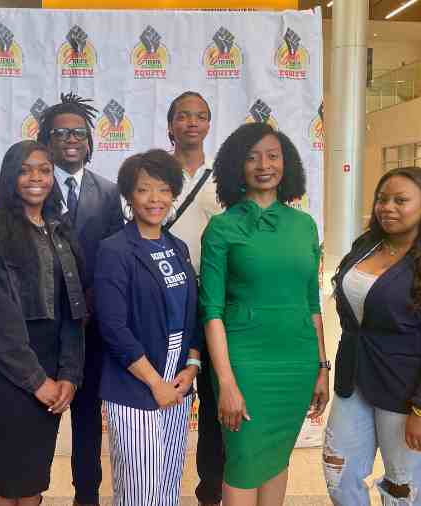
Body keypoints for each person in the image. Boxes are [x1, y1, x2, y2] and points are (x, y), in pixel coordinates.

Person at [199, 123, 329, 506]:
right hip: (245, 364)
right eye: (252, 156)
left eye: (273, 155)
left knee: (276, 458)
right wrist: (226, 382)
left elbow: (312, 304)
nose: (263, 165)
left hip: (297, 361)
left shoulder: (304, 226)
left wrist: (321, 366)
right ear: (236, 166)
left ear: (286, 164)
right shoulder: (222, 228)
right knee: (243, 461)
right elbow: (212, 312)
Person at [323, 167, 421, 506]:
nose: (387, 207)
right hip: (354, 379)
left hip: (408, 393)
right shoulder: (365, 246)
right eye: (382, 199)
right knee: (338, 472)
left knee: (401, 487)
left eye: (400, 200)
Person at [0, 140, 86, 506]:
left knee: (34, 474)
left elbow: (73, 308)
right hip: (4, 371)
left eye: (45, 170)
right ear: (9, 177)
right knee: (4, 475)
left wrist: (68, 373)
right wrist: (37, 381)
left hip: (52, 365)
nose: (36, 178)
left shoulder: (60, 230)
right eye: (25, 169)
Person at [95, 150, 201, 505]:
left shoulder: (178, 248)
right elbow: (112, 327)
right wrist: (155, 383)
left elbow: (192, 314)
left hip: (178, 384)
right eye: (144, 190)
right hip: (136, 385)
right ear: (129, 196)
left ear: (173, 193)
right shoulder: (115, 250)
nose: (155, 199)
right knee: (141, 493)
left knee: (167, 488)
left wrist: (192, 367)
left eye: (163, 190)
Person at [37, 92, 124, 506]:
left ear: (89, 141)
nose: (71, 139)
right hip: (43, 327)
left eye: (79, 133)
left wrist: (93, 304)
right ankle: (29, 491)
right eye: (61, 133)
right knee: (40, 417)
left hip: (91, 328)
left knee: (87, 418)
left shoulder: (109, 192)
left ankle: (85, 496)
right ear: (46, 141)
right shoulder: (30, 185)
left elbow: (113, 256)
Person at [163, 91, 225, 506]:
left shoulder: (224, 179)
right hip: (166, 302)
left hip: (214, 302)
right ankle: (158, 488)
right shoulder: (153, 173)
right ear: (170, 124)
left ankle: (210, 493)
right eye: (183, 116)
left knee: (217, 402)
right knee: (167, 398)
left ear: (208, 125)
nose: (192, 123)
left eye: (200, 116)